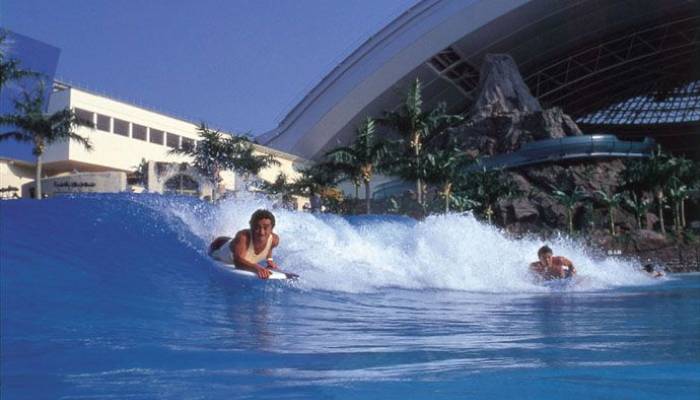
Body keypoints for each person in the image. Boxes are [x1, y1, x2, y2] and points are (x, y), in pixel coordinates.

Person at [209, 209, 280, 279]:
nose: (262, 232)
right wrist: (256, 268)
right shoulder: (243, 237)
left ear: (272, 229)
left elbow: (269, 247)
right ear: (251, 227)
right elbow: (237, 262)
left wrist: (269, 260)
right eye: (257, 228)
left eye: (266, 228)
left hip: (236, 244)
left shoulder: (274, 240)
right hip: (218, 246)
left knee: (237, 243)